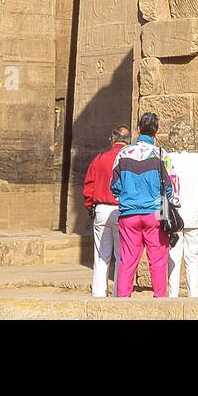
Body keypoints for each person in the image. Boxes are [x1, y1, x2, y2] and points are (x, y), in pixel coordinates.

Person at [110, 112, 177, 298]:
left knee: (128, 259)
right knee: (157, 260)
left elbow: (114, 186)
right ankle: (160, 298)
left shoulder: (123, 153)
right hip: (154, 213)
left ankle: (123, 299)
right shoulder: (161, 155)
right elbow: (170, 189)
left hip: (129, 213)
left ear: (138, 129)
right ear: (156, 132)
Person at [164, 120, 198, 299]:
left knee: (174, 255)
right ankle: (194, 295)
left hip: (174, 214)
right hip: (195, 212)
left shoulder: (167, 158)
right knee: (193, 256)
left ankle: (173, 294)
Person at [82, 124, 129, 297]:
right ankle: (118, 292)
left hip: (101, 209)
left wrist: (90, 206)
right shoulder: (128, 158)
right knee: (120, 255)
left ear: (113, 138)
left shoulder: (101, 158)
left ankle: (98, 293)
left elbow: (89, 185)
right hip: (121, 209)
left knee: (101, 256)